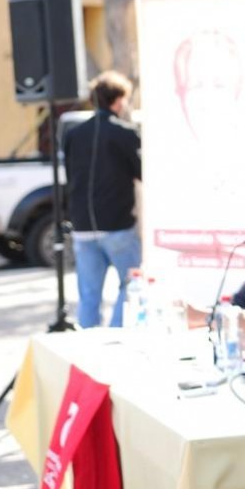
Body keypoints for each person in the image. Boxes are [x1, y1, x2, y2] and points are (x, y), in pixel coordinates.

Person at [63, 70, 142, 328]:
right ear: (118, 100)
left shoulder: (74, 134)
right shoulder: (125, 133)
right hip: (116, 224)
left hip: (83, 225)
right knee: (130, 286)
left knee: (88, 295)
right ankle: (116, 336)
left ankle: (89, 341)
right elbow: (142, 171)